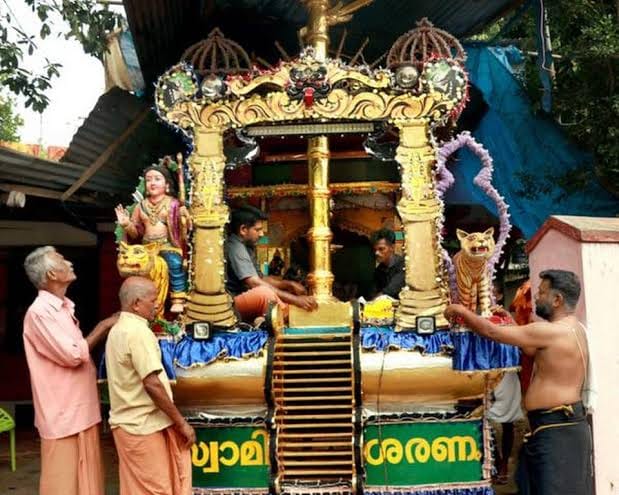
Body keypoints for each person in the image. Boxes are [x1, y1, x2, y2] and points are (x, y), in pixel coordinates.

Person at [445, 269, 592, 495]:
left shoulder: (550, 331)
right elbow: (529, 347)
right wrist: (510, 319)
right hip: (559, 424)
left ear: (557, 299)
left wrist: (461, 311)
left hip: (556, 427)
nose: (536, 298)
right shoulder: (574, 328)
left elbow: (491, 332)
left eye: (541, 293)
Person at [22, 246, 118, 495]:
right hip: (62, 415)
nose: (70, 262)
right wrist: (105, 325)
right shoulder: (39, 313)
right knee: (63, 485)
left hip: (81, 409)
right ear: (52, 274)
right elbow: (73, 355)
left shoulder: (64, 307)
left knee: (89, 483)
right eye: (62, 260)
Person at [106, 276, 195, 495]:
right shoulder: (137, 332)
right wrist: (181, 422)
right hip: (141, 426)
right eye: (153, 300)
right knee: (156, 490)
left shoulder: (119, 329)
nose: (158, 304)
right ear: (136, 303)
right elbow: (152, 383)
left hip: (132, 426)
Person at [115, 162, 191, 313]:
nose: (152, 183)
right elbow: (135, 233)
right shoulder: (140, 206)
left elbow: (185, 228)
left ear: (167, 184)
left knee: (174, 263)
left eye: (157, 179)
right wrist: (126, 224)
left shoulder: (173, 204)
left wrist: (185, 217)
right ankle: (142, 298)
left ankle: (178, 298)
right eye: (149, 179)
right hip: (146, 248)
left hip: (167, 245)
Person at [225, 205, 317, 322]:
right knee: (264, 293)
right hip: (231, 305)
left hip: (245, 298)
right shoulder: (235, 247)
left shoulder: (247, 246)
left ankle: (285, 314)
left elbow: (261, 278)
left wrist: (289, 284)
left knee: (280, 292)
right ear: (243, 230)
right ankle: (289, 317)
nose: (261, 234)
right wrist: (295, 300)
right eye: (257, 230)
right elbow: (254, 283)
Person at [488, 282, 523, 485]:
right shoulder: (474, 314)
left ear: (500, 296)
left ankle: (503, 465)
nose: (489, 296)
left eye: (492, 292)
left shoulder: (507, 318)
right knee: (484, 419)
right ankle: (495, 460)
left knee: (507, 422)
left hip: (507, 371)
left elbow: (520, 337)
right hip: (484, 371)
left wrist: (506, 318)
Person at [371, 228, 405, 299]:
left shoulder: (402, 265)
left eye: (381, 249)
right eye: (375, 250)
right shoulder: (379, 269)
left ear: (392, 247)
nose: (376, 253)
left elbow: (390, 291)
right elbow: (373, 291)